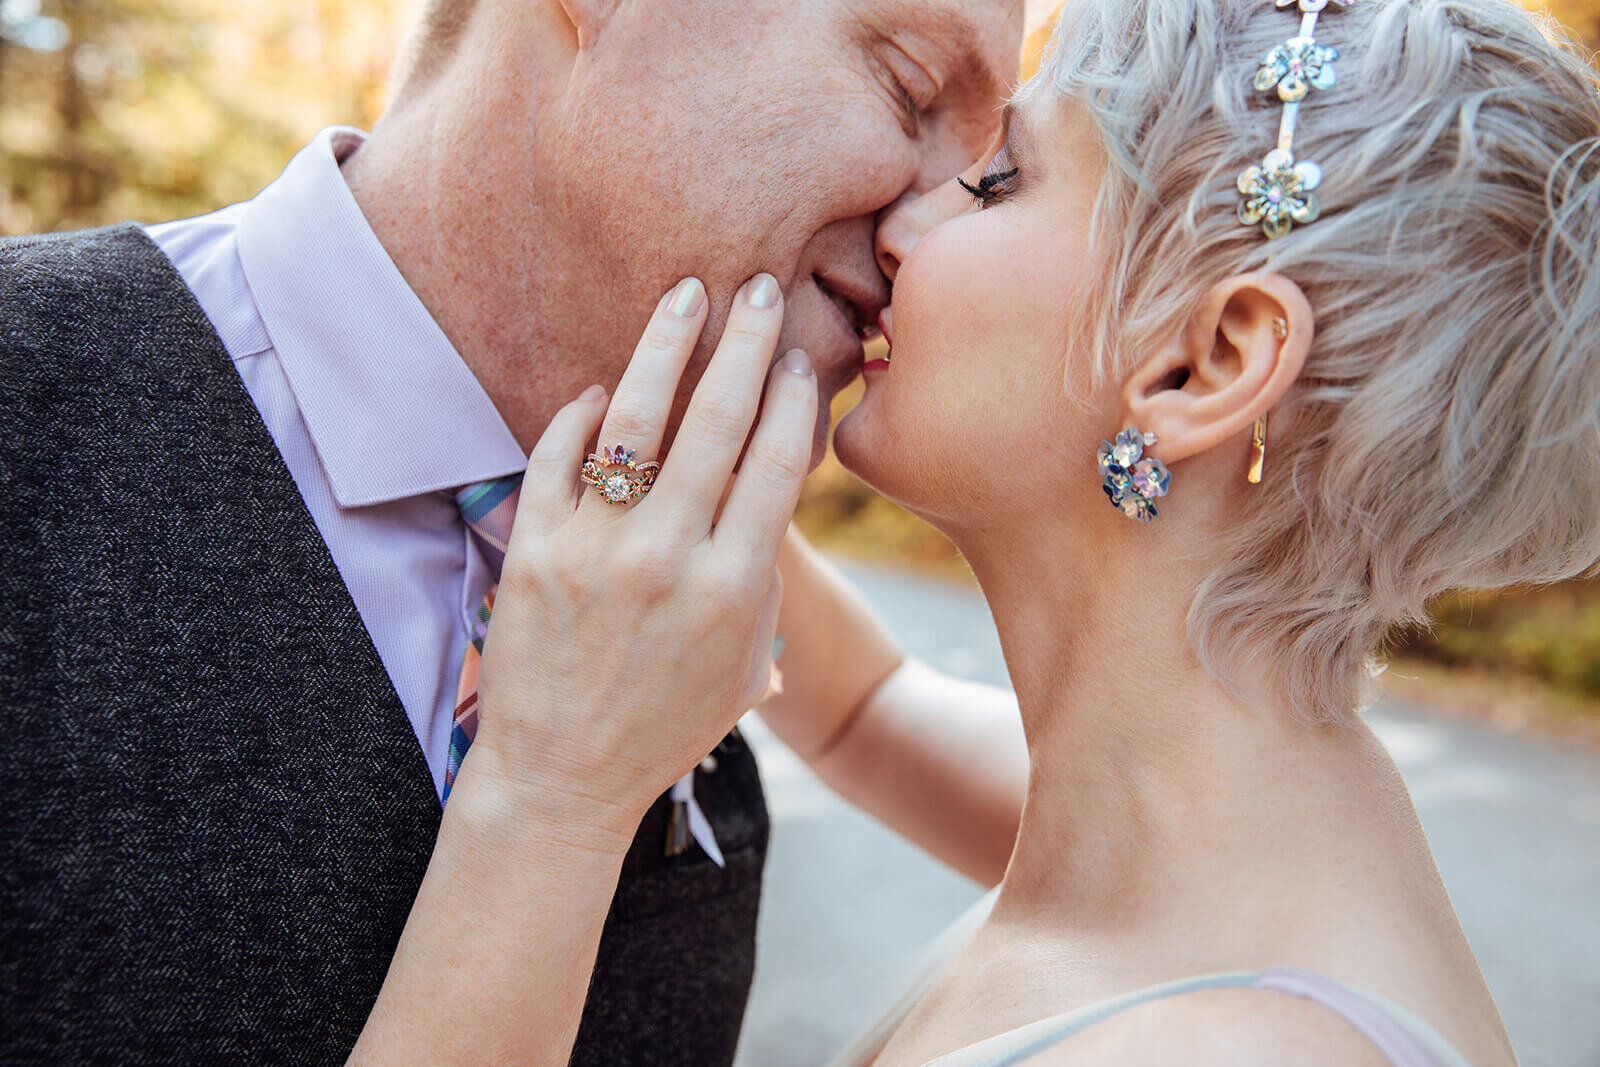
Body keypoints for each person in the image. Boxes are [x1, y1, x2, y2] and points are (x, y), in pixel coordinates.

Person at [455, 0, 1600, 1062]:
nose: (899, 217)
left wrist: (550, 795)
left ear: (1205, 363)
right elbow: (863, 712)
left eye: (997, 178)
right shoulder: (1192, 823)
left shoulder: (1244, 1049)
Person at [0, 0, 1029, 1062]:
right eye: (909, 89)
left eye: (996, 163)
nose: (945, 225)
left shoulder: (690, 547)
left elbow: (870, 707)